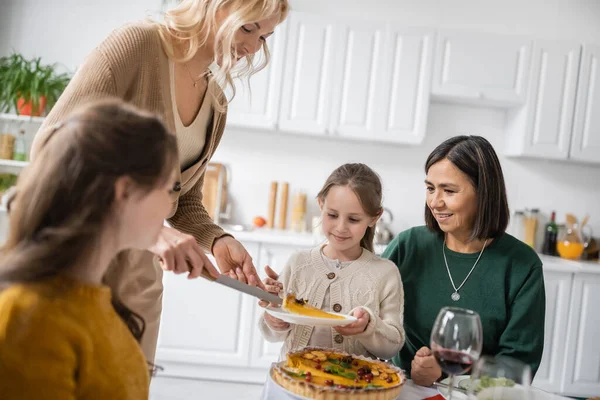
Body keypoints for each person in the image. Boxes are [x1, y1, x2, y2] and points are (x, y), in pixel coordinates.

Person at [31, 0, 289, 363]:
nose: (253, 47)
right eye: (248, 28)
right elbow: (51, 149)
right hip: (76, 261)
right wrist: (148, 231)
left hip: (138, 282)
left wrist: (217, 240)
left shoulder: (216, 100)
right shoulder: (137, 46)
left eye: (265, 36)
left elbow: (181, 200)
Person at [0, 100, 183, 399]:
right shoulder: (28, 318)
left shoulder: (98, 300)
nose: (167, 206)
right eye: (166, 190)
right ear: (123, 191)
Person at [382, 135, 546, 386]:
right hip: (398, 388)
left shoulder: (522, 265)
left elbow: (519, 364)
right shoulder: (408, 245)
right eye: (430, 188)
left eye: (449, 191)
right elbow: (367, 311)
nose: (435, 202)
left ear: (484, 193)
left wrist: (448, 376)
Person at [258, 163, 405, 361]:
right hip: (293, 377)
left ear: (374, 217)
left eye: (353, 219)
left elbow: (392, 346)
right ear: (321, 205)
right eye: (332, 215)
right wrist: (274, 317)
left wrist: (368, 327)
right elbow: (272, 334)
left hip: (353, 387)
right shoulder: (298, 263)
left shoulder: (385, 273)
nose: (341, 227)